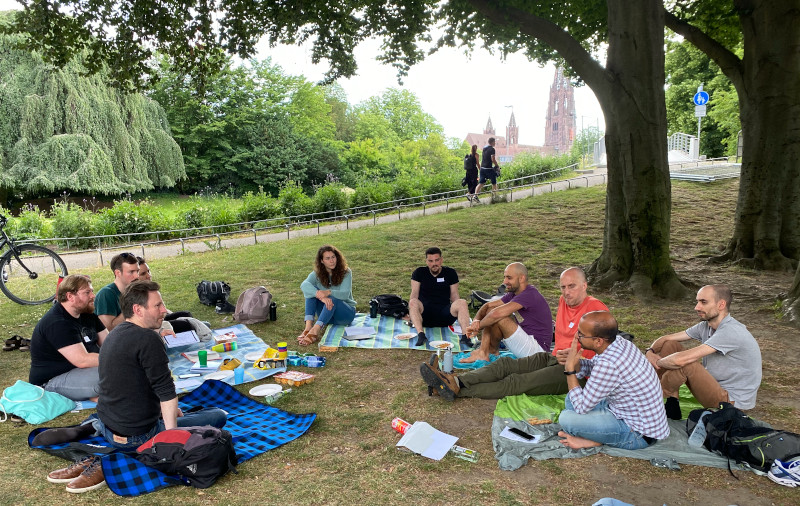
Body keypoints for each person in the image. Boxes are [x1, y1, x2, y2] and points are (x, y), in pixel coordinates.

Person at [45, 281, 227, 493]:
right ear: (138, 310)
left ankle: (100, 438)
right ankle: (113, 459)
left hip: (108, 423)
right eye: (157, 305)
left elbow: (132, 384)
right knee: (217, 416)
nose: (165, 310)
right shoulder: (148, 339)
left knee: (175, 411)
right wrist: (171, 438)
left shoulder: (117, 334)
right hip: (137, 433)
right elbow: (166, 392)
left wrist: (164, 410)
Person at [420, 267, 607, 400]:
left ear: (584, 285)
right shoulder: (563, 301)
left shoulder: (597, 311)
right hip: (552, 357)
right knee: (505, 365)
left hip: (578, 372)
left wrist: (578, 359)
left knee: (517, 382)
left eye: (571, 286)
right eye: (563, 287)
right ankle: (454, 380)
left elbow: (606, 350)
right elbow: (489, 307)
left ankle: (453, 390)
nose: (566, 292)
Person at [646, 284, 762, 419]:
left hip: (731, 401)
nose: (697, 307)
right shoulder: (706, 326)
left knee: (687, 364)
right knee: (670, 345)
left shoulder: (731, 331)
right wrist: (650, 352)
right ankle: (672, 403)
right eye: (697, 302)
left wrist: (656, 362)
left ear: (721, 305)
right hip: (714, 383)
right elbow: (666, 338)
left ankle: (649, 397)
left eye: (703, 302)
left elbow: (680, 360)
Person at [557, 311, 670, 450]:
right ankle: (597, 436)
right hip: (627, 412)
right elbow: (595, 367)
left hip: (638, 434)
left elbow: (581, 407)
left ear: (598, 341)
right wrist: (577, 363)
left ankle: (597, 440)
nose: (576, 337)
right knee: (571, 399)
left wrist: (570, 370)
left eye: (581, 334)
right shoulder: (620, 342)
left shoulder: (609, 364)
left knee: (566, 419)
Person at [28, 275, 108, 401]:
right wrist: (121, 360)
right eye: (87, 292)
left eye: (92, 291)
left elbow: (109, 344)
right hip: (52, 381)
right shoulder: (57, 322)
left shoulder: (87, 314)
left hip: (83, 371)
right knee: (110, 375)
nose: (93, 296)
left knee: (121, 371)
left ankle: (100, 395)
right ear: (70, 296)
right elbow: (82, 360)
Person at [461, 262, 551, 363]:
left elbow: (496, 314)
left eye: (509, 278)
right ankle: (488, 351)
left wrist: (478, 327)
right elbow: (488, 305)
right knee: (493, 311)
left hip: (538, 352)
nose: (504, 281)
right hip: (526, 339)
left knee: (498, 315)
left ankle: (484, 352)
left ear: (521, 278)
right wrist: (476, 321)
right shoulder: (514, 293)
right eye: (505, 277)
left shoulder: (529, 294)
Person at [408, 247, 471, 348]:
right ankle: (421, 334)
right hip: (424, 316)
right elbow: (414, 294)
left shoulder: (450, 273)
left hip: (445, 315)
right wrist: (412, 312)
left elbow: (454, 295)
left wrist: (460, 312)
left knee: (462, 302)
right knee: (413, 301)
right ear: (426, 261)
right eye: (431, 261)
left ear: (441, 260)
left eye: (437, 260)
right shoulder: (419, 272)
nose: (434, 264)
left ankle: (465, 337)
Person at [298, 245, 357, 345]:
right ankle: (308, 327)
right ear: (322, 261)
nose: (332, 261)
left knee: (332, 299)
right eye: (327, 258)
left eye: (333, 257)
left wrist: (328, 293)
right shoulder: (317, 274)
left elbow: (344, 295)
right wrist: (319, 294)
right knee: (312, 291)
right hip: (327, 316)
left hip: (345, 314)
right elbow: (304, 285)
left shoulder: (346, 272)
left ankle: (315, 330)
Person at [137, 256, 194, 334]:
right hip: (153, 324)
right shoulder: (136, 295)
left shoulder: (150, 289)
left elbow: (163, 310)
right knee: (185, 325)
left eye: (148, 271)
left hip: (161, 317)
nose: (148, 275)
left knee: (186, 314)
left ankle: (197, 328)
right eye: (143, 273)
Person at [94, 252, 139, 331]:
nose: (136, 276)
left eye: (137, 271)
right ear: (117, 273)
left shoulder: (135, 291)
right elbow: (108, 329)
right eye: (131, 272)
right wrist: (132, 306)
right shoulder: (106, 294)